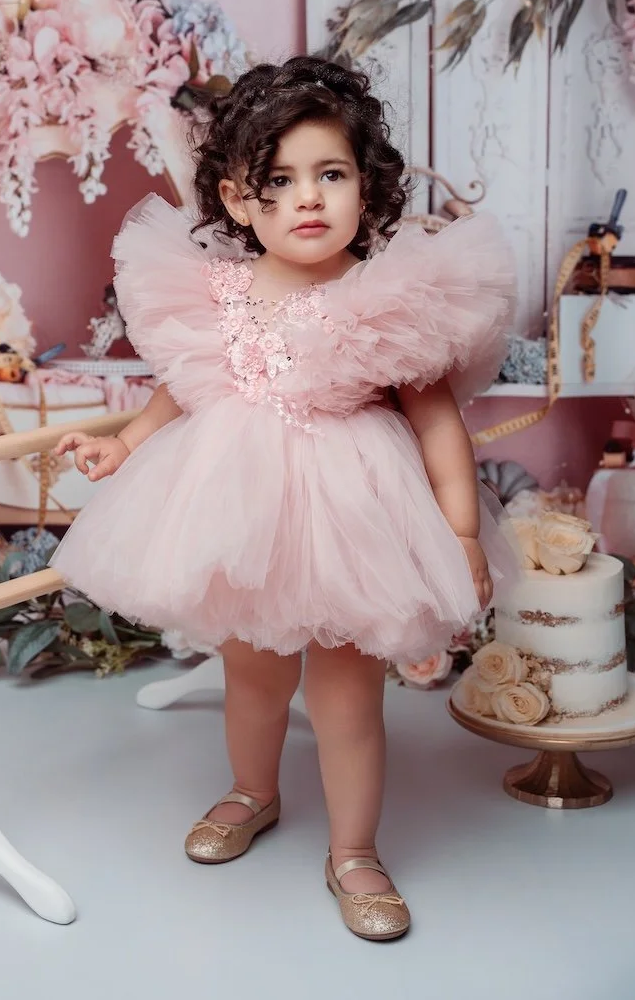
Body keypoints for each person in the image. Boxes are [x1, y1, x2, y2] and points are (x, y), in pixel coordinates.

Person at [50, 55, 518, 941]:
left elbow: (435, 423)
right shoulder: (219, 292)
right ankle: (251, 790)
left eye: (330, 175)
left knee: (346, 696)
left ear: (365, 188)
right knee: (253, 676)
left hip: (353, 517)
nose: (307, 198)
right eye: (279, 180)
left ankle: (354, 850)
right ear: (238, 201)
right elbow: (186, 386)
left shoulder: (385, 297)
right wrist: (124, 444)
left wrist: (460, 532)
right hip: (243, 510)